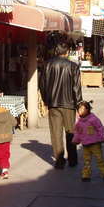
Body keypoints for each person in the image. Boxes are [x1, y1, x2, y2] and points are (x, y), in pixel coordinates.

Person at [39, 41, 82, 169]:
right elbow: (76, 88)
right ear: (67, 52)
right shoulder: (73, 66)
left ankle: (59, 160)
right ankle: (72, 159)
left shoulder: (47, 65)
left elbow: (42, 85)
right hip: (69, 104)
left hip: (54, 104)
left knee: (56, 132)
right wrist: (79, 104)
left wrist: (47, 100)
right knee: (70, 131)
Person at [72, 100, 104, 183]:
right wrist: (75, 140)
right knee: (86, 160)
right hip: (85, 145)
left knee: (99, 159)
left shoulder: (93, 119)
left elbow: (100, 128)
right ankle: (86, 175)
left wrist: (102, 138)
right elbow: (77, 132)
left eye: (83, 109)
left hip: (95, 144)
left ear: (88, 110)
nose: (81, 111)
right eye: (79, 110)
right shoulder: (78, 122)